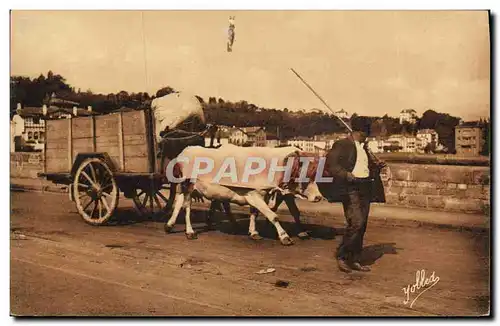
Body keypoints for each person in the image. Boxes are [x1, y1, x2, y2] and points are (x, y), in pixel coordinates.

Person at [322, 124, 386, 273]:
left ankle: (354, 258)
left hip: (366, 186)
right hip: (351, 187)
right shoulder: (342, 144)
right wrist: (345, 174)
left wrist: (377, 166)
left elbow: (367, 167)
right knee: (356, 222)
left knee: (362, 225)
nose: (366, 137)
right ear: (357, 132)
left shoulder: (364, 147)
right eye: (364, 133)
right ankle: (342, 256)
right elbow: (331, 164)